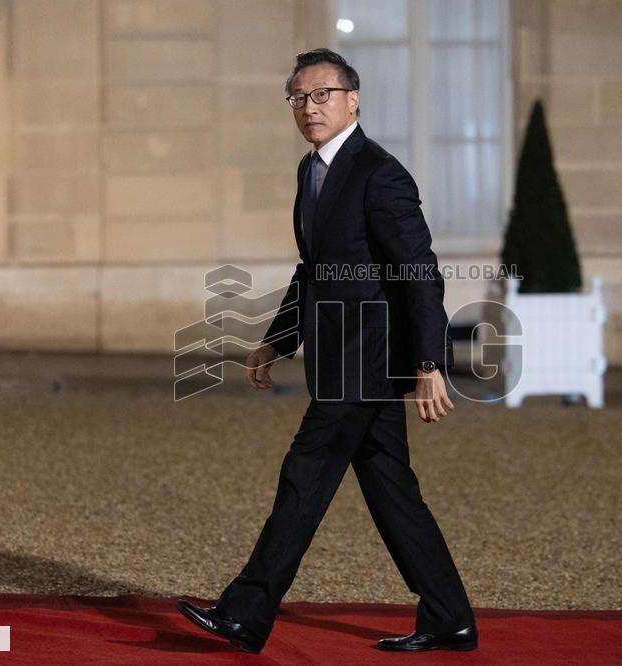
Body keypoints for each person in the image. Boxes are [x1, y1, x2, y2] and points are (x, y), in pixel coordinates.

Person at [175, 49, 477, 654]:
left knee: (304, 476)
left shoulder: (379, 173)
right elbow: (312, 269)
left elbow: (419, 270)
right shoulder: (310, 172)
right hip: (339, 359)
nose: (310, 109)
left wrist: (430, 361)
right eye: (300, 98)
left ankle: (246, 612)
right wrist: (278, 339)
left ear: (354, 100)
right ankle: (449, 617)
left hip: (367, 362)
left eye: (323, 95)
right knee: (392, 490)